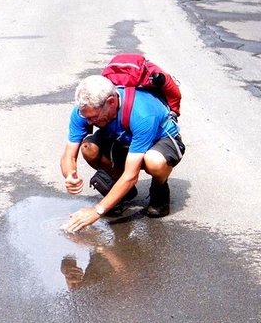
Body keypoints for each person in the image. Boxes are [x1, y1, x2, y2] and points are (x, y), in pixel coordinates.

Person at [60, 75, 185, 232]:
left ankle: (159, 188)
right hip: (124, 140)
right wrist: (69, 175)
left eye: (93, 118)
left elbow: (131, 175)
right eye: (87, 118)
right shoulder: (84, 111)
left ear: (111, 102)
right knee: (89, 148)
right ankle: (122, 191)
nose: (89, 123)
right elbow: (69, 155)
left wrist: (96, 211)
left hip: (159, 141)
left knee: (154, 161)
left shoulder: (142, 113)